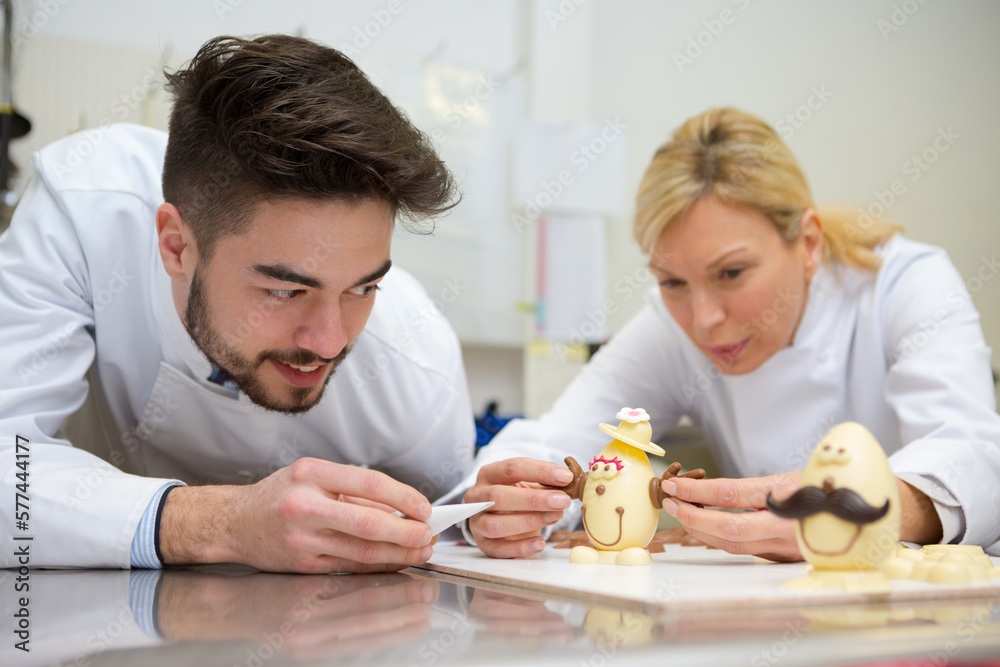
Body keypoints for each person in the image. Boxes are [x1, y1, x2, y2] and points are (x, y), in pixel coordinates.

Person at [0, 35, 476, 573]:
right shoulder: (86, 212)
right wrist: (217, 522)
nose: (329, 341)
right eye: (285, 290)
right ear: (176, 246)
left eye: (362, 288)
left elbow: (456, 524)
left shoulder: (415, 362)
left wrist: (489, 517)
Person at [462, 107, 1000, 560]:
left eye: (731, 274)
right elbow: (561, 438)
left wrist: (868, 515)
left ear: (808, 244)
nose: (703, 320)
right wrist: (497, 505)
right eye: (673, 282)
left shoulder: (902, 285)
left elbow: (974, 457)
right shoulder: (670, 327)